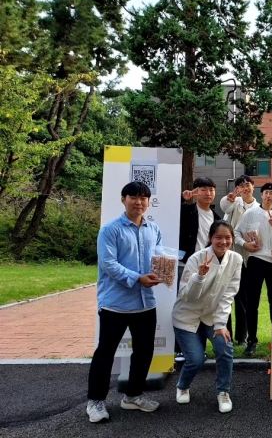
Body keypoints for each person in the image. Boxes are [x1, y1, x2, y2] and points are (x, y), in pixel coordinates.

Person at [87, 181, 163, 423]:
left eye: (144, 198)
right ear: (123, 200)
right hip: (115, 304)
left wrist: (164, 271)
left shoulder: (154, 229)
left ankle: (133, 396)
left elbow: (158, 258)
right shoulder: (110, 230)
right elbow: (108, 264)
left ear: (149, 202)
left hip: (145, 303)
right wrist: (137, 278)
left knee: (143, 352)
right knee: (105, 354)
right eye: (134, 197)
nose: (139, 202)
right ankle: (96, 402)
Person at [173, 221, 242, 413]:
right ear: (210, 238)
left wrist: (221, 324)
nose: (223, 241)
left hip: (213, 316)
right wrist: (200, 277)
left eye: (227, 237)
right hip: (187, 317)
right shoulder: (196, 259)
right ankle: (182, 386)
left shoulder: (236, 260)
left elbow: (229, 295)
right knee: (195, 360)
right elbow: (186, 295)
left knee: (225, 349)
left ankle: (223, 392)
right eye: (218, 237)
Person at [234, 183, 272, 356]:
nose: (268, 196)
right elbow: (236, 232)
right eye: (266, 193)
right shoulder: (251, 213)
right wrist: (245, 244)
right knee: (252, 303)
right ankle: (252, 340)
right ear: (261, 195)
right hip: (256, 260)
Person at [178, 177, 222, 361]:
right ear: (196, 192)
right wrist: (183, 200)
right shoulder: (186, 210)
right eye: (204, 189)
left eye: (211, 189)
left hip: (207, 268)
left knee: (203, 308)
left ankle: (200, 348)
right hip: (187, 265)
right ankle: (183, 349)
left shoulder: (216, 217)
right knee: (185, 307)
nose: (208, 193)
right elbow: (168, 214)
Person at [219, 175, 261, 346]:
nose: (245, 188)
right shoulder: (233, 203)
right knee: (226, 297)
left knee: (244, 299)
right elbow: (224, 206)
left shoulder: (259, 207)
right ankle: (225, 334)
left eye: (248, 185)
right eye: (241, 185)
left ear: (253, 187)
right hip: (230, 257)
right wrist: (229, 198)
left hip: (250, 258)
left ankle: (241, 337)